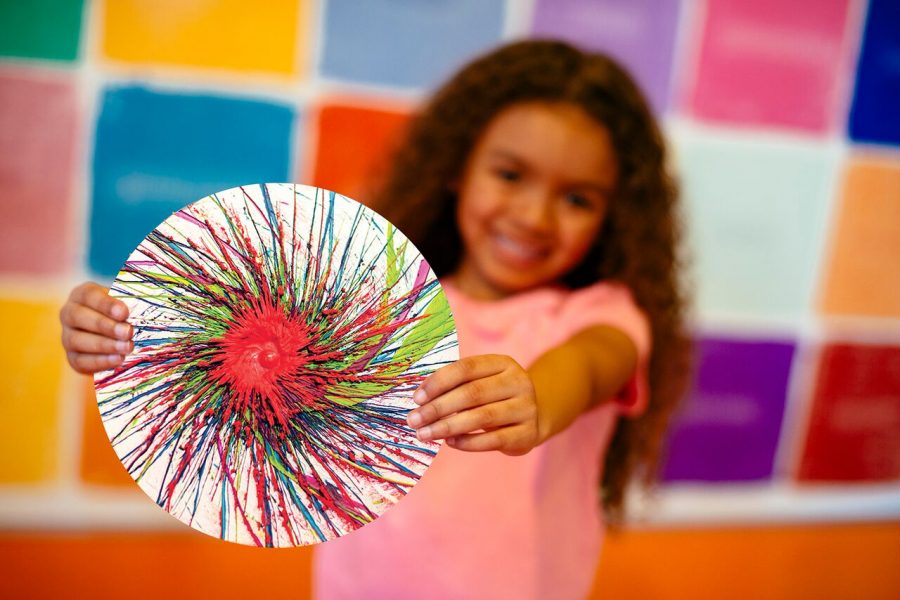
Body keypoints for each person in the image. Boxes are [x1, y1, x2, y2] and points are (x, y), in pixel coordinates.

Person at [60, 39, 690, 599]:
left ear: (616, 217)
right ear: (457, 168)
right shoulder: (374, 305)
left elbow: (587, 367)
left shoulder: (602, 315)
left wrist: (536, 400)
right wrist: (122, 335)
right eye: (509, 174)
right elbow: (233, 363)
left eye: (577, 198)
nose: (534, 215)